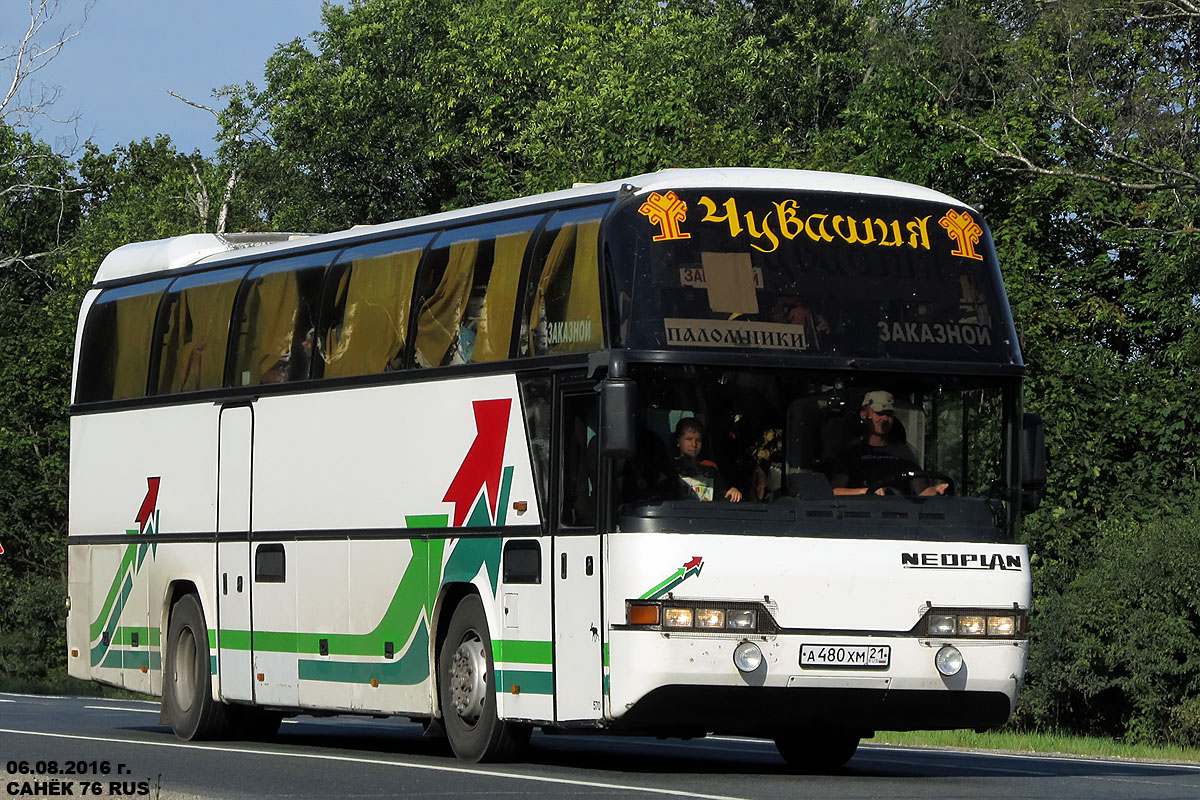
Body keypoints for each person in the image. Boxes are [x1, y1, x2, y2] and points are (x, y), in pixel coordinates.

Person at [830, 391, 948, 496]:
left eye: (889, 414)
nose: (885, 419)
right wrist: (866, 491)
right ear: (864, 415)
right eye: (879, 413)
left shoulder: (903, 451)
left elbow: (922, 491)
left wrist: (935, 490)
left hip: (898, 516)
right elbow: (834, 491)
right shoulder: (852, 451)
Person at [673, 418, 743, 502]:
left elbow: (719, 494)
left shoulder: (710, 468)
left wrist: (731, 493)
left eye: (698, 440)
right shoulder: (670, 468)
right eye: (689, 439)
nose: (694, 444)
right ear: (678, 441)